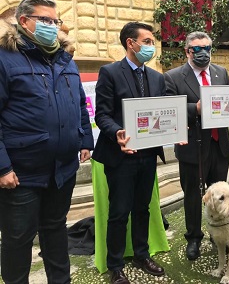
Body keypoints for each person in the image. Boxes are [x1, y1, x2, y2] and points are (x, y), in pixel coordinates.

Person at [0, 0, 94, 283]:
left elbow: (79, 104)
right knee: (18, 239)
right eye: (45, 20)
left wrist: (85, 140)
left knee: (55, 231)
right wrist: (2, 167)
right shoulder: (5, 59)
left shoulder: (65, 60)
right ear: (24, 21)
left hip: (61, 170)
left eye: (56, 21)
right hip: (22, 173)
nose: (52, 26)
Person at [92, 22, 166, 284]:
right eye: (146, 41)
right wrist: (117, 133)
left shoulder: (157, 77)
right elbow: (102, 114)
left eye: (152, 41)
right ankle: (115, 265)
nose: (151, 46)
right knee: (119, 212)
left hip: (147, 155)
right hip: (121, 155)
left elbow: (166, 112)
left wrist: (176, 132)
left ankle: (141, 254)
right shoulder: (110, 72)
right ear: (130, 44)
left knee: (142, 208)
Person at [164, 31, 229, 261]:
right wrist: (196, 109)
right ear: (187, 51)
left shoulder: (221, 72)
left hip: (218, 143)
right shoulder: (173, 76)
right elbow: (170, 109)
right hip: (192, 146)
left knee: (219, 193)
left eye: (207, 48)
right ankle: (194, 237)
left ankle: (218, 232)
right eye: (197, 49)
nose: (203, 53)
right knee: (193, 195)